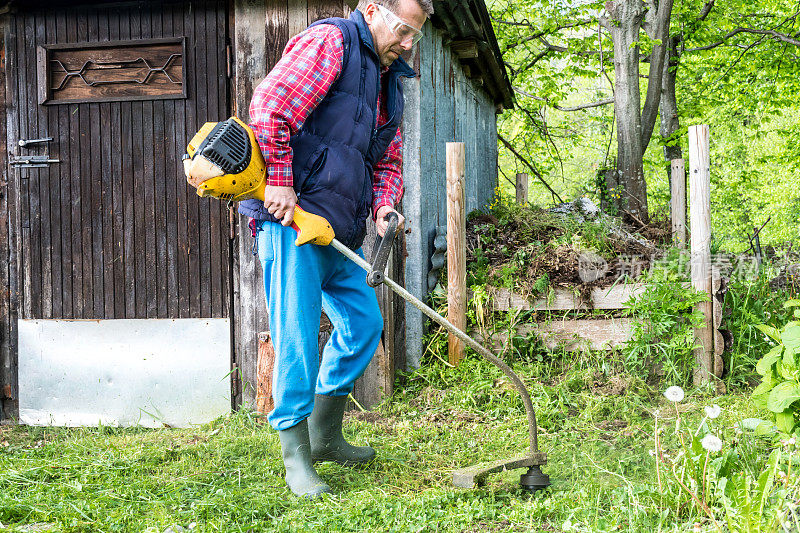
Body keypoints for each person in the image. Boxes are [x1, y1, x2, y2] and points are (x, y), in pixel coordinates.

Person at [237, 0, 432, 498]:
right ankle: (295, 457)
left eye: (416, 35)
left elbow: (387, 157)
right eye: (404, 30)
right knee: (297, 341)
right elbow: (270, 106)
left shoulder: (388, 79)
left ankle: (325, 435)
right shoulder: (333, 42)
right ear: (372, 9)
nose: (409, 43)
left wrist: (384, 206)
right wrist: (278, 181)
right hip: (293, 226)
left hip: (340, 233)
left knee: (364, 324)